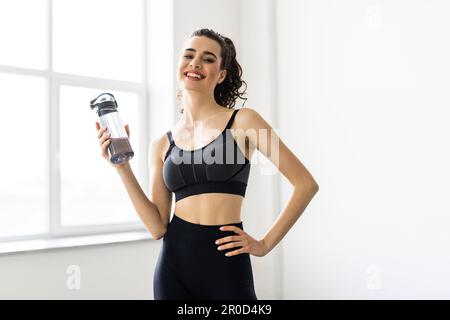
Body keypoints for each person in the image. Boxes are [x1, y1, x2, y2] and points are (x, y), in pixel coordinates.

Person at [95, 28, 319, 300]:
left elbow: (305, 184)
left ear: (221, 74)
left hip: (227, 265)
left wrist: (264, 244)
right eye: (189, 55)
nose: (195, 62)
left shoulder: (246, 122)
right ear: (179, 65)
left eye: (208, 58)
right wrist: (122, 168)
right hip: (173, 268)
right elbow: (157, 227)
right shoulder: (161, 145)